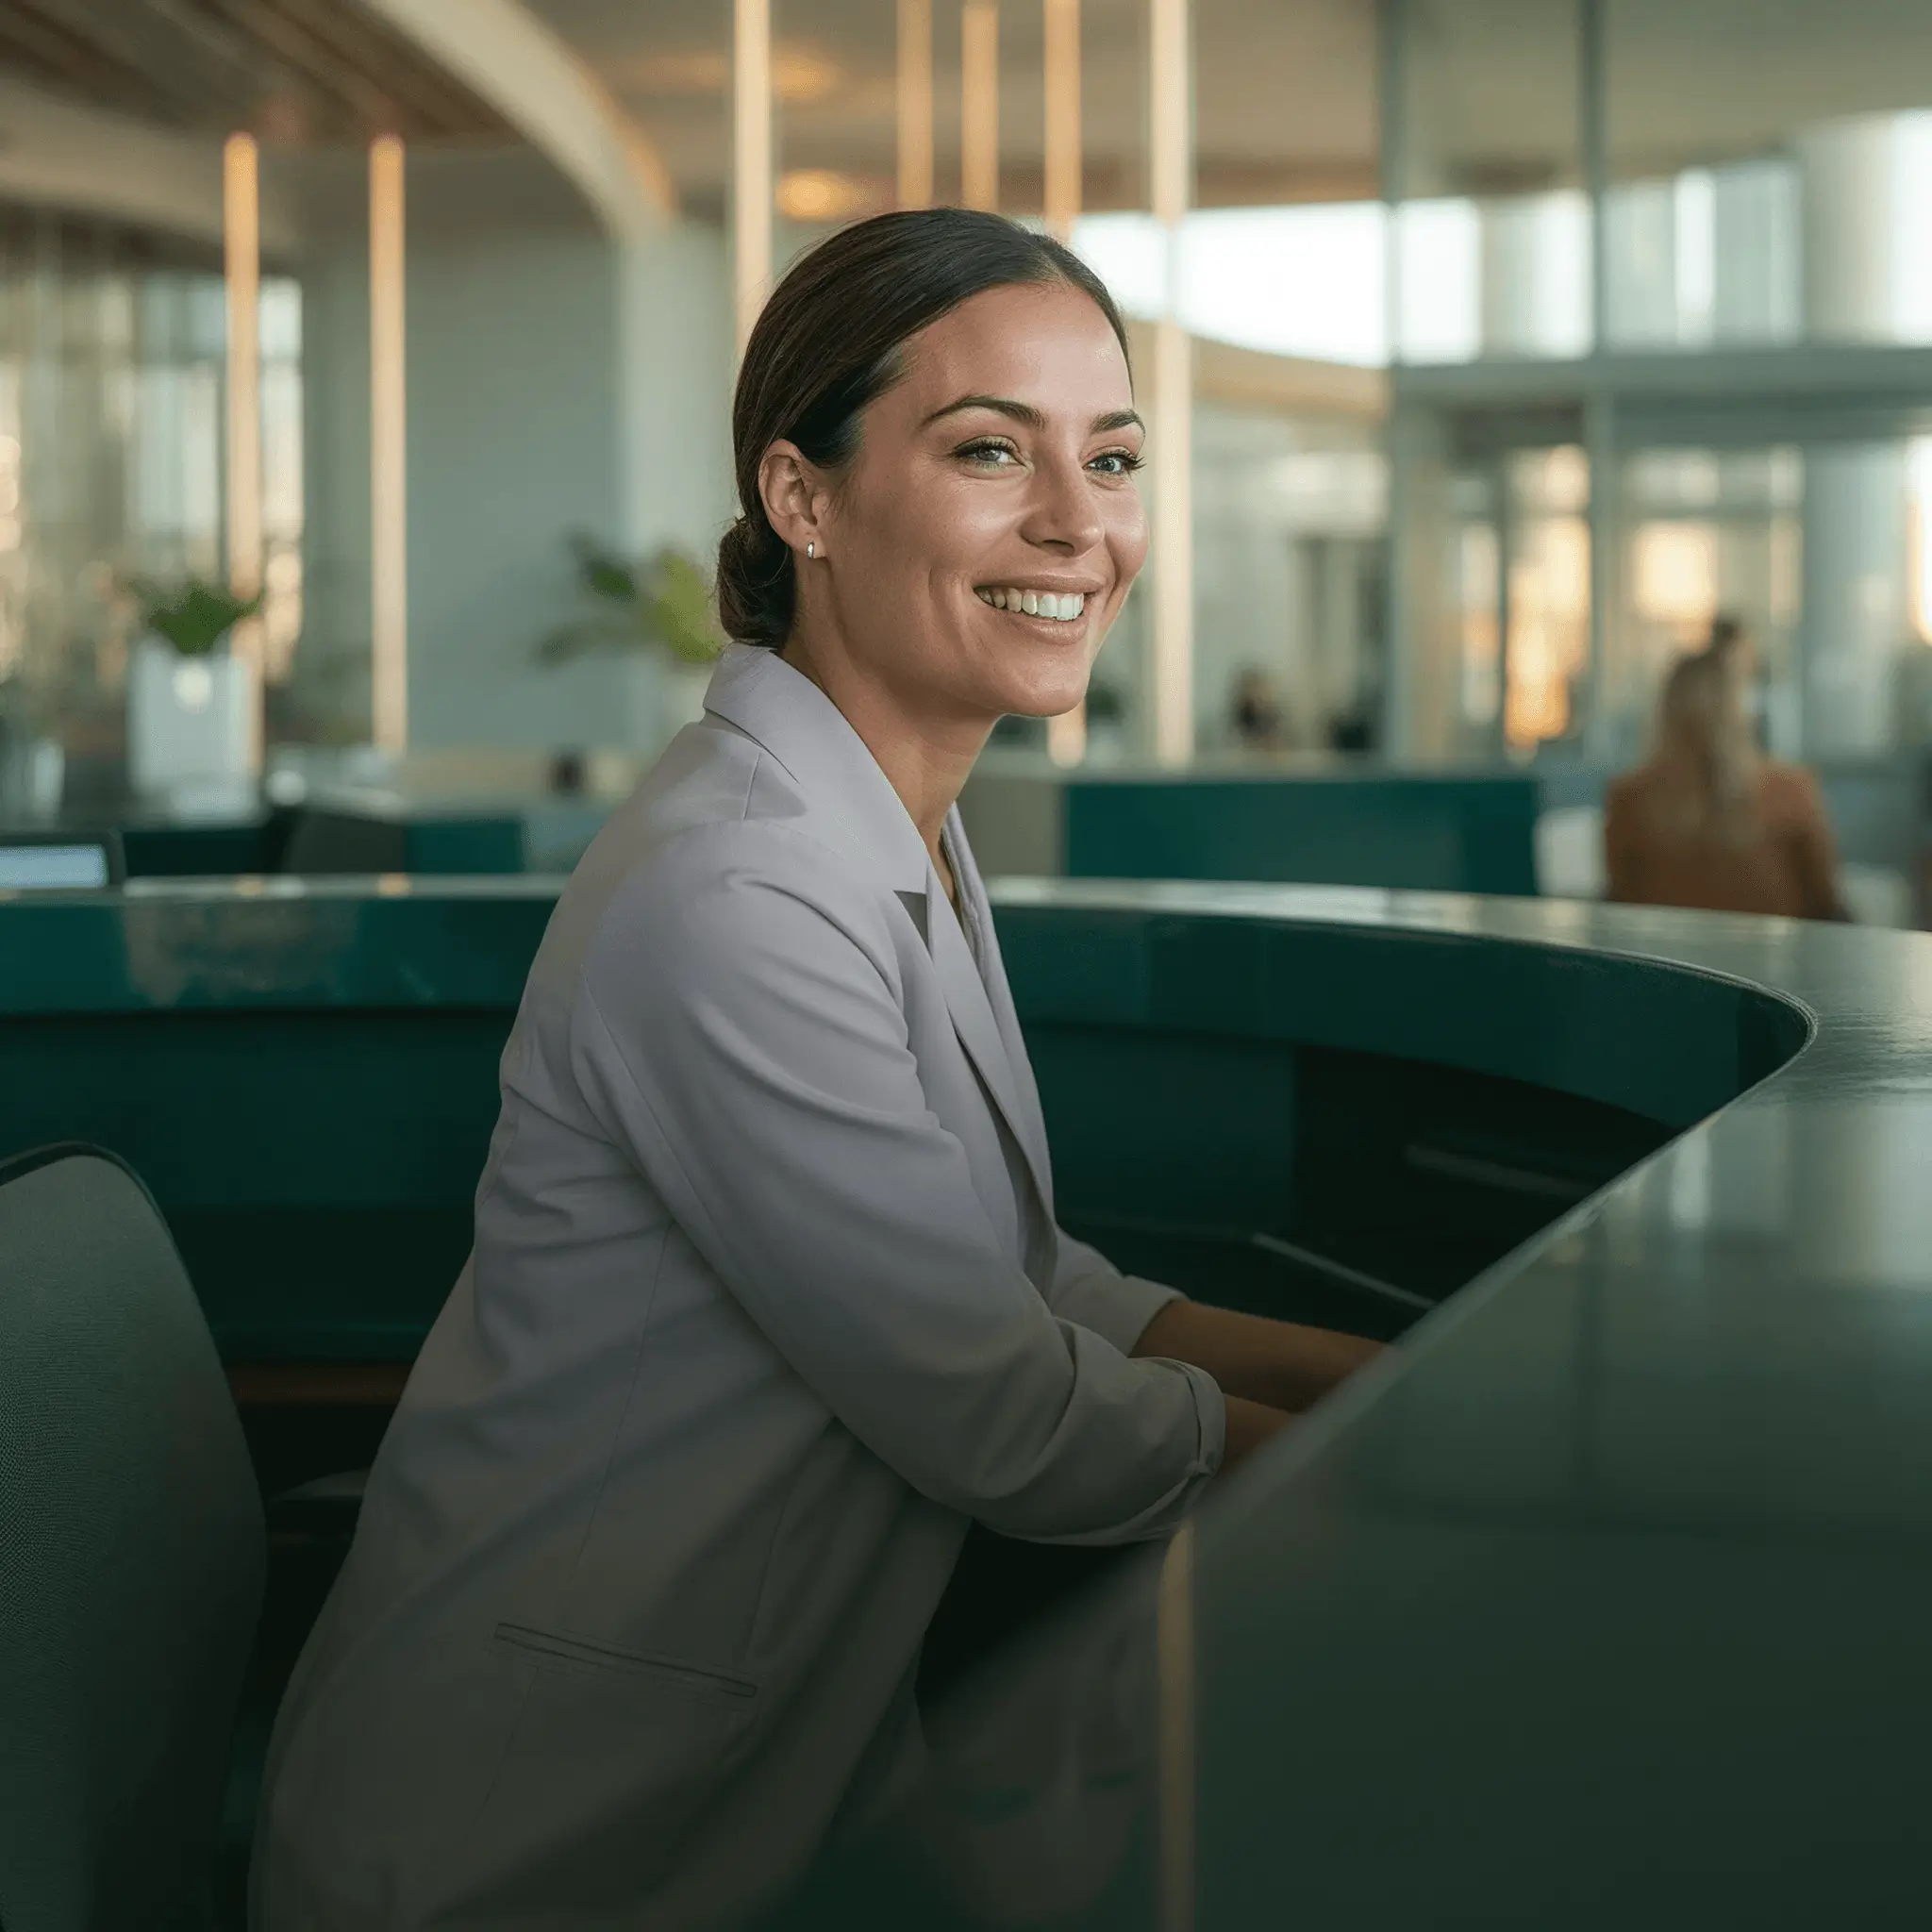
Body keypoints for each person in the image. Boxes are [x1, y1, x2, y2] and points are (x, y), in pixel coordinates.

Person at [251, 209, 1380, 1932]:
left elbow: (1020, 1280)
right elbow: (997, 1406)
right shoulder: (737, 885)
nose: (1078, 521)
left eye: (1114, 454)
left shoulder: (886, 827)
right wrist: (1390, 1461)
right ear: (802, 497)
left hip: (761, 1787)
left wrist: (1372, 1369)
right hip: (532, 1840)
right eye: (990, 449)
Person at [1604, 639, 1848, 921]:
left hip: (1665, 961)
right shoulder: (1790, 791)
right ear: (1740, 712)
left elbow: (1622, 903)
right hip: (1772, 960)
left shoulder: (1629, 798)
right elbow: (1824, 902)